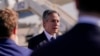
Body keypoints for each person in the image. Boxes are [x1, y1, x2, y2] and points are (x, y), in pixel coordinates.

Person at [31, 0, 100, 56]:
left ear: (76, 3)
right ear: (44, 23)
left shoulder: (44, 51)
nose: (56, 24)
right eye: (53, 21)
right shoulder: (35, 43)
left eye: (58, 21)